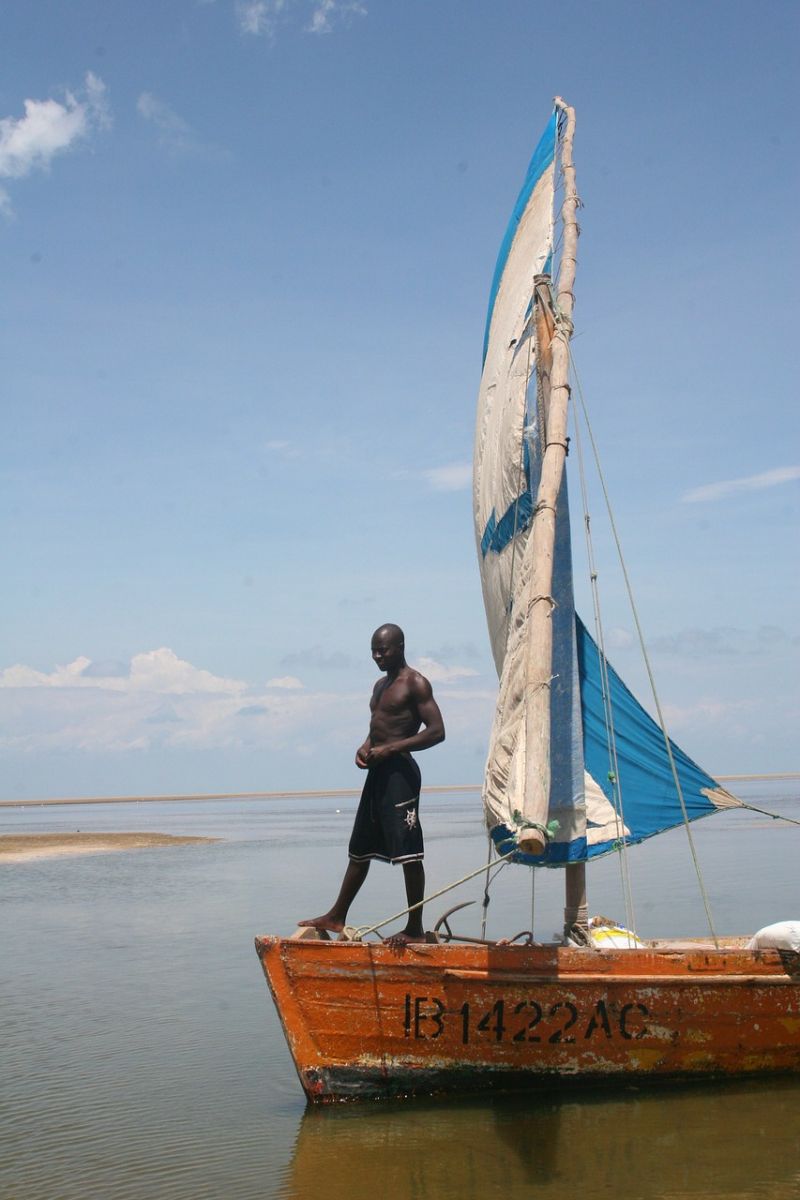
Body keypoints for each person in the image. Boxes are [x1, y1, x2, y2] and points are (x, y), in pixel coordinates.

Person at [299, 623, 445, 945]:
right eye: (374, 652)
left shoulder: (416, 683)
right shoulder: (380, 685)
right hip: (377, 773)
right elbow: (378, 726)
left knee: (409, 853)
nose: (378, 656)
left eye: (384, 650)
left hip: (400, 775)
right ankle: (337, 916)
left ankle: (415, 928)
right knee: (360, 848)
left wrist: (393, 748)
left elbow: (436, 731)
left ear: (401, 647)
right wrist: (365, 746)